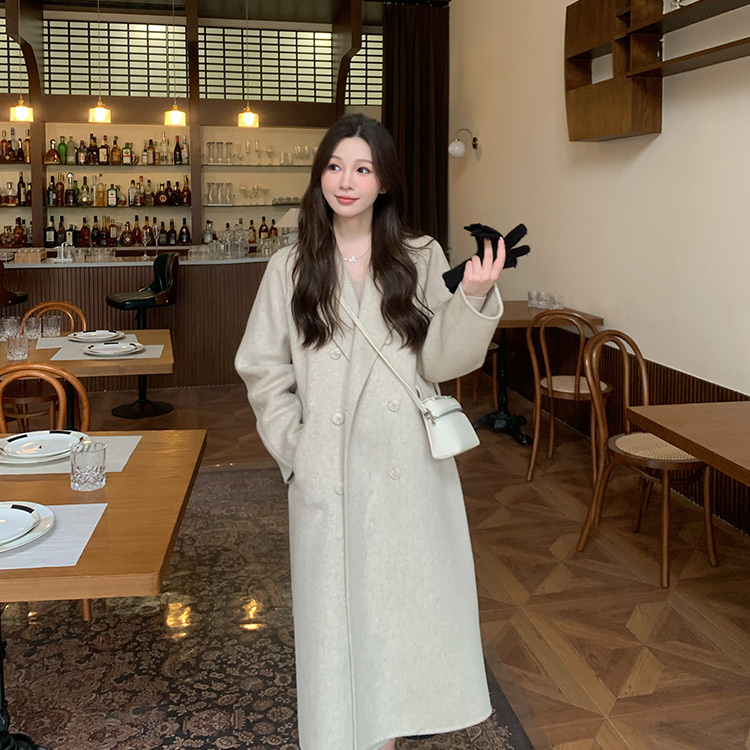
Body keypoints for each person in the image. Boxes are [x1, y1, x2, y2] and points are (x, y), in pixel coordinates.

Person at [235, 113, 505, 750]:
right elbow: (263, 369)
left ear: (383, 181)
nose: (346, 181)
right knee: (337, 625)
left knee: (401, 618)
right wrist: (298, 450)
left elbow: (440, 363)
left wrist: (473, 298)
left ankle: (388, 735)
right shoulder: (291, 266)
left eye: (362, 168)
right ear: (320, 176)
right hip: (328, 472)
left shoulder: (421, 256)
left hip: (408, 470)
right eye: (335, 166)